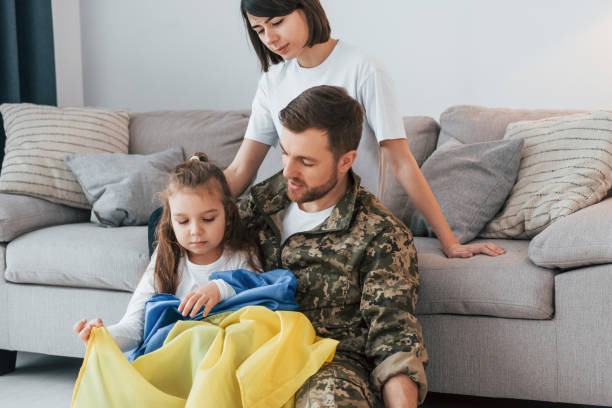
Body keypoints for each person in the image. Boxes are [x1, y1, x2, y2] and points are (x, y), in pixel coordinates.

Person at [224, 0, 505, 259]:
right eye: (259, 30)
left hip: (350, 227)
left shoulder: (362, 68)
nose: (270, 39)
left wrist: (450, 242)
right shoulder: (273, 82)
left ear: (307, 8)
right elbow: (240, 171)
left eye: (277, 22)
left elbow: (401, 161)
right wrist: (184, 209)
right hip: (291, 225)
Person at [240, 85, 428, 408]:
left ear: (346, 161)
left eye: (306, 162)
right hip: (253, 351)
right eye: (285, 152)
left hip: (330, 364)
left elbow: (394, 340)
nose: (288, 171)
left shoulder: (381, 233)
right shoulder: (261, 204)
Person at [74, 153, 263, 351]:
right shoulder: (167, 259)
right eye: (183, 221)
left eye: (208, 219)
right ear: (170, 221)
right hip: (177, 362)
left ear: (228, 214)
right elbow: (135, 326)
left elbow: (261, 300)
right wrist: (104, 338)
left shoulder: (241, 256)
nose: (195, 231)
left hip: (226, 358)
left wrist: (221, 288)